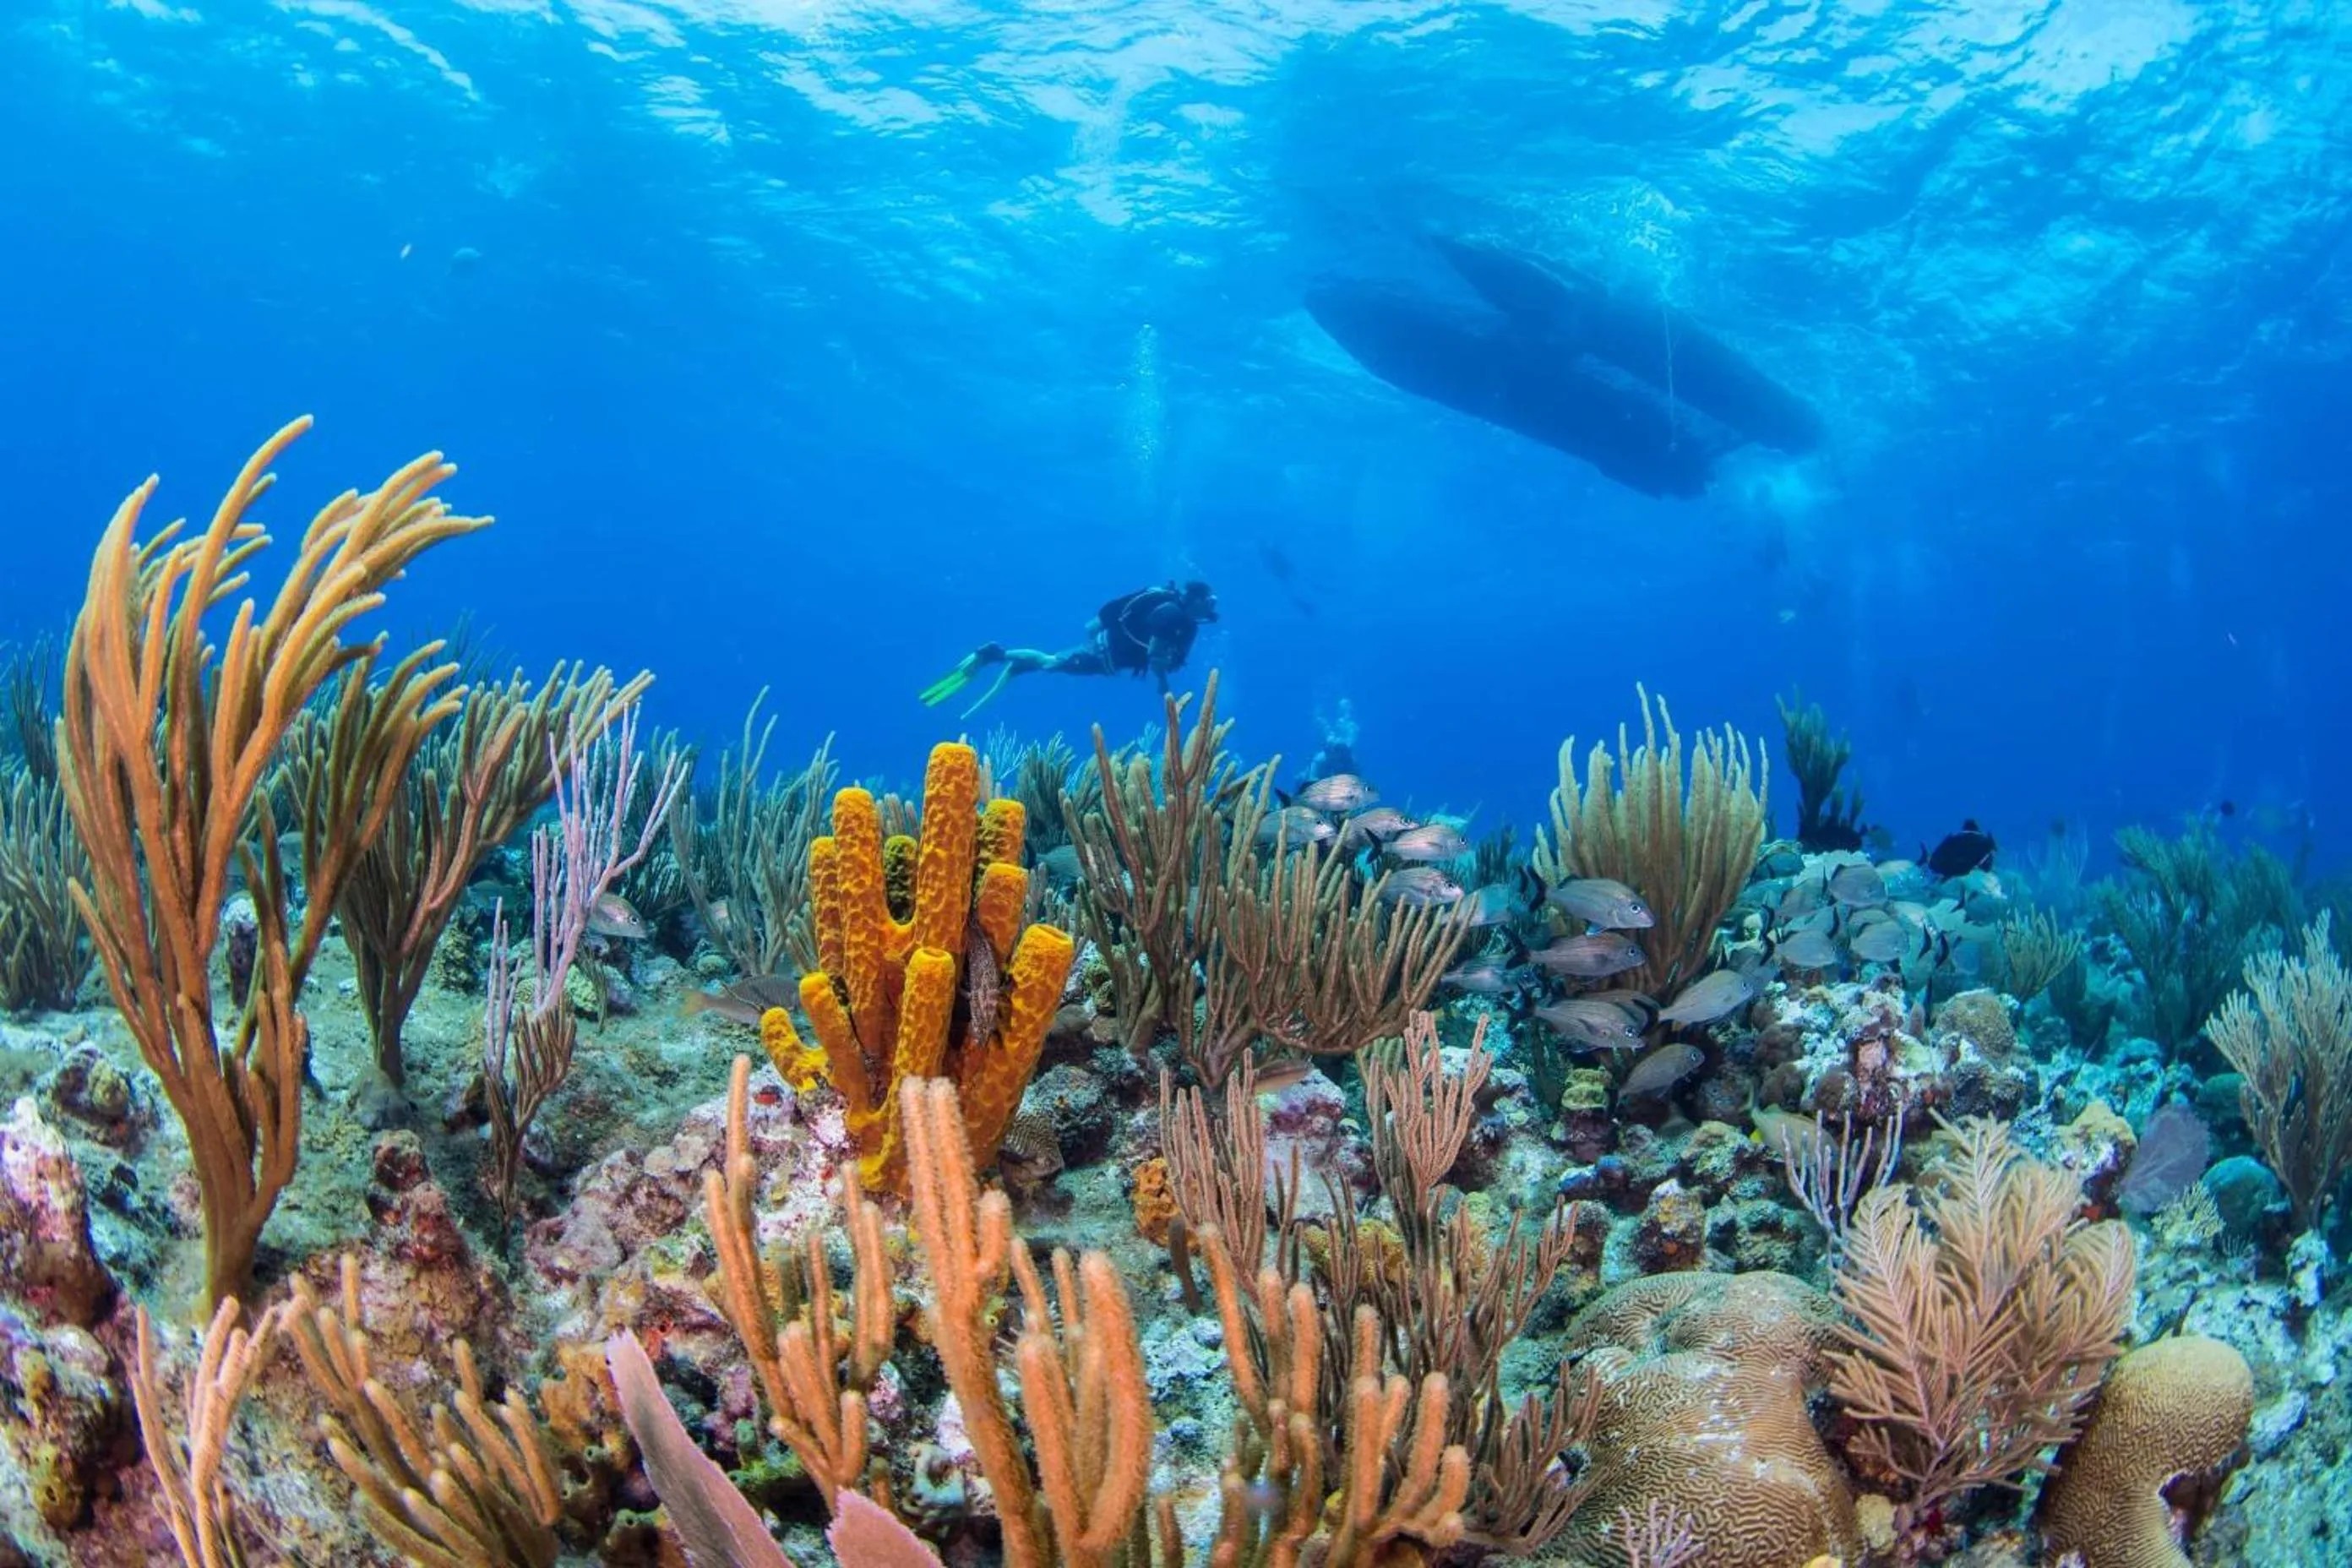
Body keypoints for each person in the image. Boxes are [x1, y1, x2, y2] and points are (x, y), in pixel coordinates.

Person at [920, 579, 1218, 716]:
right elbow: (1154, 653)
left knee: (1052, 663)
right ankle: (997, 654)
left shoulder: (1173, 611)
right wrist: (1163, 685)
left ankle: (1017, 664)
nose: (1212, 607)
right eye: (1209, 601)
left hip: (1105, 648)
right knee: (1050, 662)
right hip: (1104, 655)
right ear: (1196, 598)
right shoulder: (1173, 616)